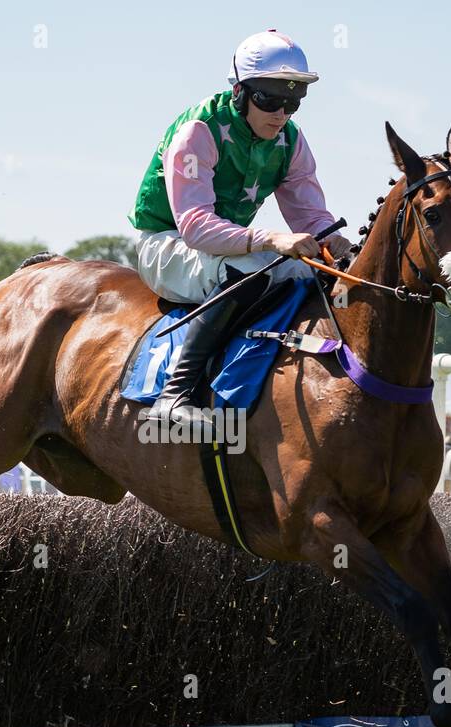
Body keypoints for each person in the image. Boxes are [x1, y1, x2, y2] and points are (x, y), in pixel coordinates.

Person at [129, 29, 349, 434]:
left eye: (292, 102)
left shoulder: (291, 140)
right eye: (269, 99)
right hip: (167, 245)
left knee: (317, 271)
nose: (281, 113)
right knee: (255, 266)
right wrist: (270, 238)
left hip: (223, 249)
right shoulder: (199, 130)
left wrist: (336, 245)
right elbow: (194, 227)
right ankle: (173, 395)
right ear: (240, 91)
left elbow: (311, 217)